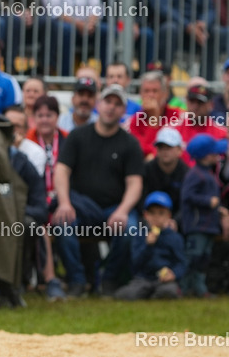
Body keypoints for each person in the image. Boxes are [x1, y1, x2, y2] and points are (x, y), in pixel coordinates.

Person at [52, 84, 143, 297]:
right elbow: (61, 171)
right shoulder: (77, 136)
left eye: (117, 104)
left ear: (123, 111)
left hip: (114, 208)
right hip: (80, 207)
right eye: (108, 102)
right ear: (98, 105)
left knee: (130, 228)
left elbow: (135, 183)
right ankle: (77, 281)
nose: (111, 108)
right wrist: (64, 202)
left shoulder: (130, 144)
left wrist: (122, 210)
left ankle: (108, 280)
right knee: (62, 223)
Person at [179, 135, 229, 298]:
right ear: (205, 155)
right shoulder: (195, 174)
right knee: (194, 256)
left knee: (204, 258)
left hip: (209, 225)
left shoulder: (208, 173)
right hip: (197, 225)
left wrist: (219, 209)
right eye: (215, 153)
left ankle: (200, 288)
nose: (218, 155)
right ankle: (184, 288)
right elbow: (187, 196)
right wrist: (208, 201)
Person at [114, 191, 185, 301]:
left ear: (168, 216)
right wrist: (147, 245)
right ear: (146, 215)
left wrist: (174, 274)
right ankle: (148, 294)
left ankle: (155, 295)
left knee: (168, 291)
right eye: (152, 213)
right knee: (127, 294)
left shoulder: (175, 238)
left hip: (163, 280)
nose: (156, 217)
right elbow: (135, 262)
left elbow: (181, 262)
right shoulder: (140, 235)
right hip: (143, 279)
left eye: (161, 213)